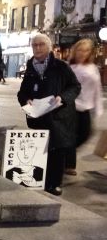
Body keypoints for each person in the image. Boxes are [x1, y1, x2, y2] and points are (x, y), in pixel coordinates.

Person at [17, 34, 81, 196]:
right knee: (40, 149)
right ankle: (38, 180)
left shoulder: (60, 66)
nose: (37, 48)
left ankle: (54, 184)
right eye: (34, 45)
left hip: (58, 115)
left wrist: (62, 98)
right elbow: (22, 93)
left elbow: (75, 86)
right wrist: (26, 101)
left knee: (57, 149)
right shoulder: (30, 68)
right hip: (38, 115)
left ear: (49, 47)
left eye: (41, 45)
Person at [64, 38, 104, 176]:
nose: (83, 53)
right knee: (71, 135)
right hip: (71, 106)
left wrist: (99, 110)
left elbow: (97, 90)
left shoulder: (93, 68)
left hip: (86, 107)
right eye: (80, 50)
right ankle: (69, 165)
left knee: (85, 134)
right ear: (75, 51)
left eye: (86, 50)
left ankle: (63, 154)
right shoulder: (69, 67)